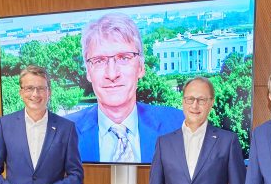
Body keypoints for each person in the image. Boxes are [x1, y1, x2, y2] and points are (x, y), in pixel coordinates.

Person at [67, 12, 184, 163]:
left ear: (141, 67)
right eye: (99, 61)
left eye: (123, 58)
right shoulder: (61, 135)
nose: (112, 73)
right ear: (88, 72)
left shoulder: (180, 125)